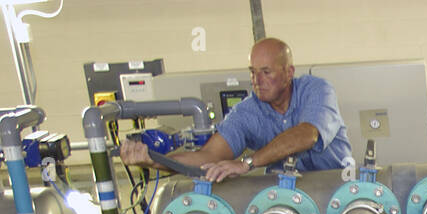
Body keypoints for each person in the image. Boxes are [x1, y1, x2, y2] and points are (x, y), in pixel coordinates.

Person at [120, 37, 352, 181]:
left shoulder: (316, 89)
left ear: (288, 73)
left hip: (338, 186)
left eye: (266, 72)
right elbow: (207, 157)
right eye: (252, 72)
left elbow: (307, 134)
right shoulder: (247, 112)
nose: (256, 80)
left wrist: (247, 163)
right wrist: (155, 161)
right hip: (288, 198)